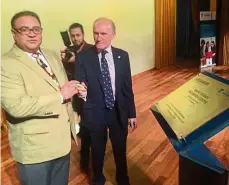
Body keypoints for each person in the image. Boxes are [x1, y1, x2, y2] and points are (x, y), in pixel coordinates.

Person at [1, 10, 86, 185]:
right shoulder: (5, 64)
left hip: (62, 143)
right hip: (35, 150)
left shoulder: (52, 54)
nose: (32, 33)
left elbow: (61, 87)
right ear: (14, 34)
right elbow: (16, 106)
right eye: (24, 29)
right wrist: (60, 95)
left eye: (36, 29)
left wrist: (77, 91)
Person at [75, 17, 137, 185]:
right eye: (96, 33)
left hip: (117, 111)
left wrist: (132, 113)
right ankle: (98, 179)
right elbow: (80, 81)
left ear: (113, 35)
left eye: (103, 33)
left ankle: (123, 179)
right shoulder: (84, 57)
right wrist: (82, 91)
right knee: (97, 150)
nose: (99, 37)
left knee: (119, 149)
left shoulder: (122, 56)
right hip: (95, 112)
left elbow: (126, 87)